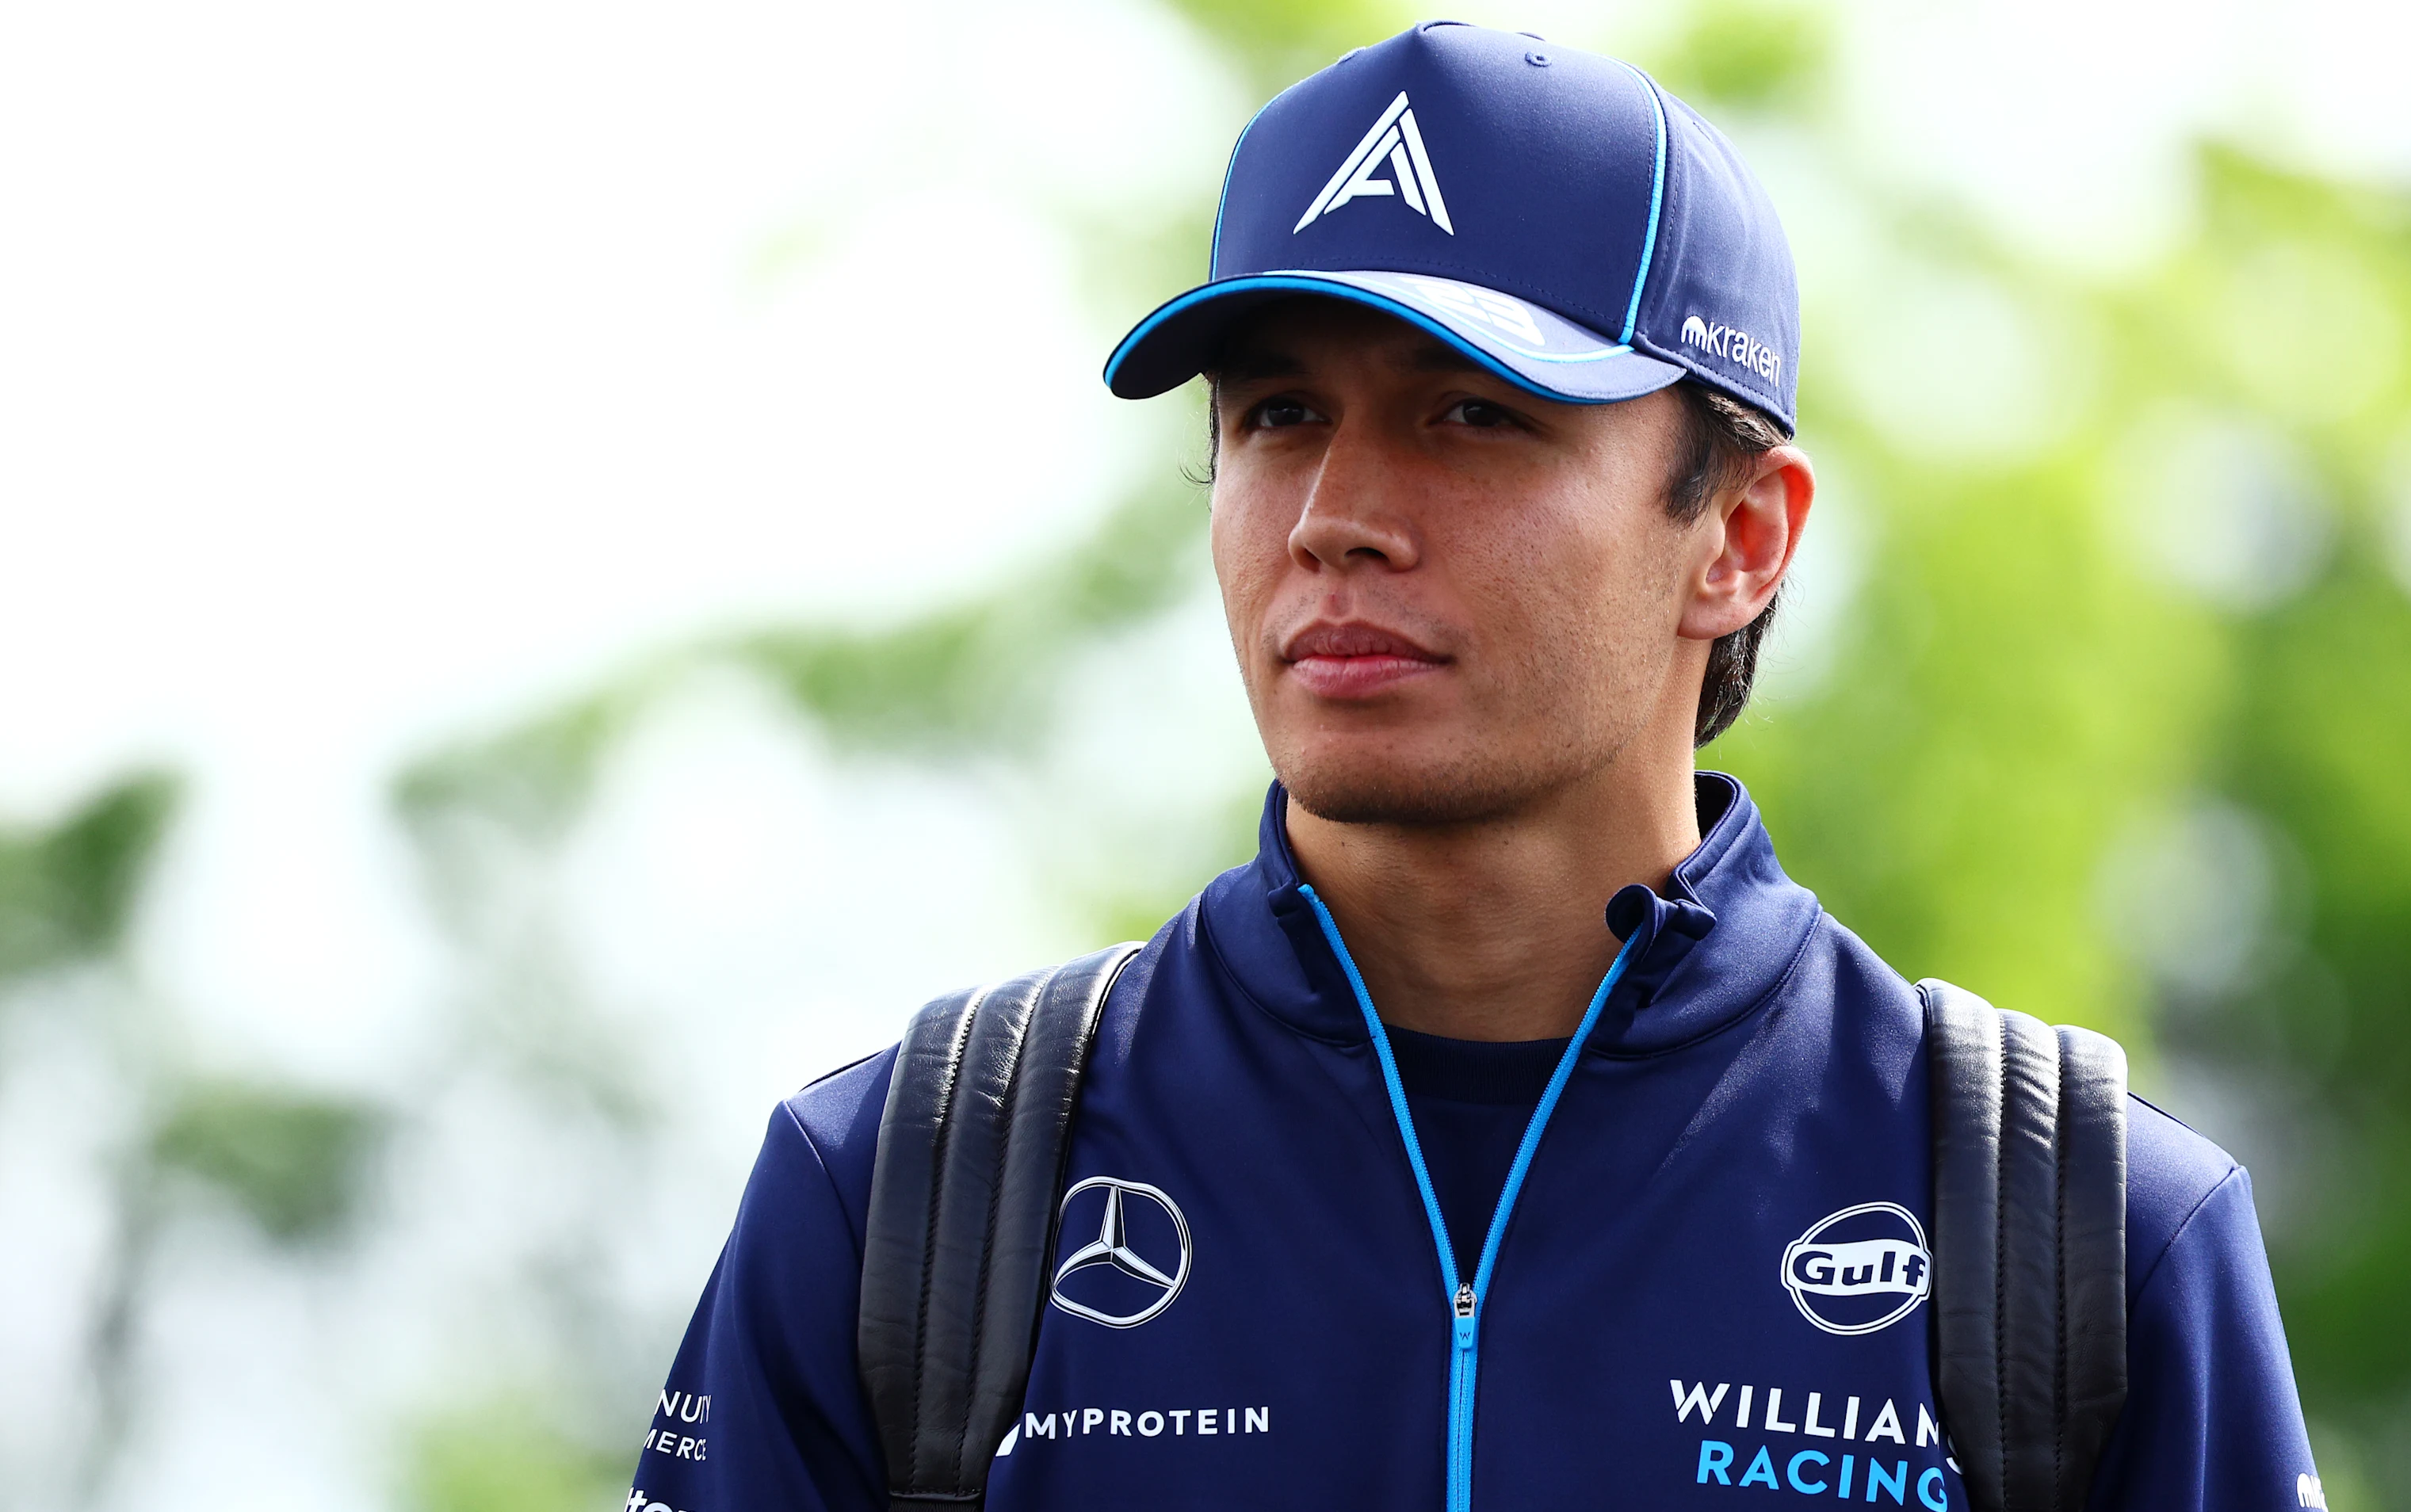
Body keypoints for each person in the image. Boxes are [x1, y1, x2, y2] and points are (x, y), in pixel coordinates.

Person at [627, 21, 2321, 1512]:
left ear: (1738, 535)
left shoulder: (2084, 1233)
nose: (1334, 519)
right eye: (1275, 415)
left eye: (1470, 415)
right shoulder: (903, 1198)